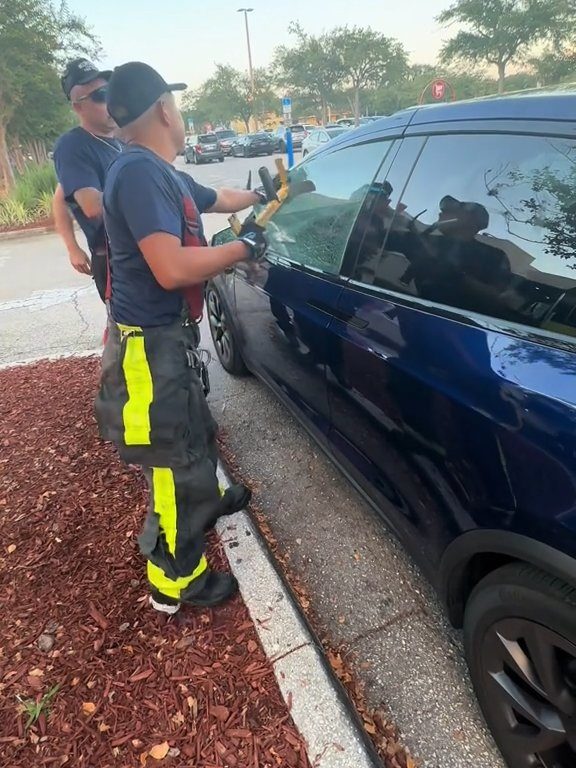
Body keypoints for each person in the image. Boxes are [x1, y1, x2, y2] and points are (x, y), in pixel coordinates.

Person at [95, 62, 268, 616]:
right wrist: (244, 249)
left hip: (167, 339)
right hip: (148, 347)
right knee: (174, 462)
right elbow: (171, 268)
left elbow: (216, 198)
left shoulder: (160, 171)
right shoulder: (140, 174)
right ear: (165, 110)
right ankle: (175, 579)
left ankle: (209, 500)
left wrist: (269, 194)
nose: (181, 113)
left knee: (195, 432)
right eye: (177, 104)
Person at [52, 59, 121, 299]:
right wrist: (73, 249)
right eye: (101, 96)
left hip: (146, 251)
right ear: (77, 106)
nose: (110, 100)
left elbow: (60, 195)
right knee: (133, 332)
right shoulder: (73, 146)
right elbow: (91, 206)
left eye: (110, 92)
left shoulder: (122, 138)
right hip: (115, 261)